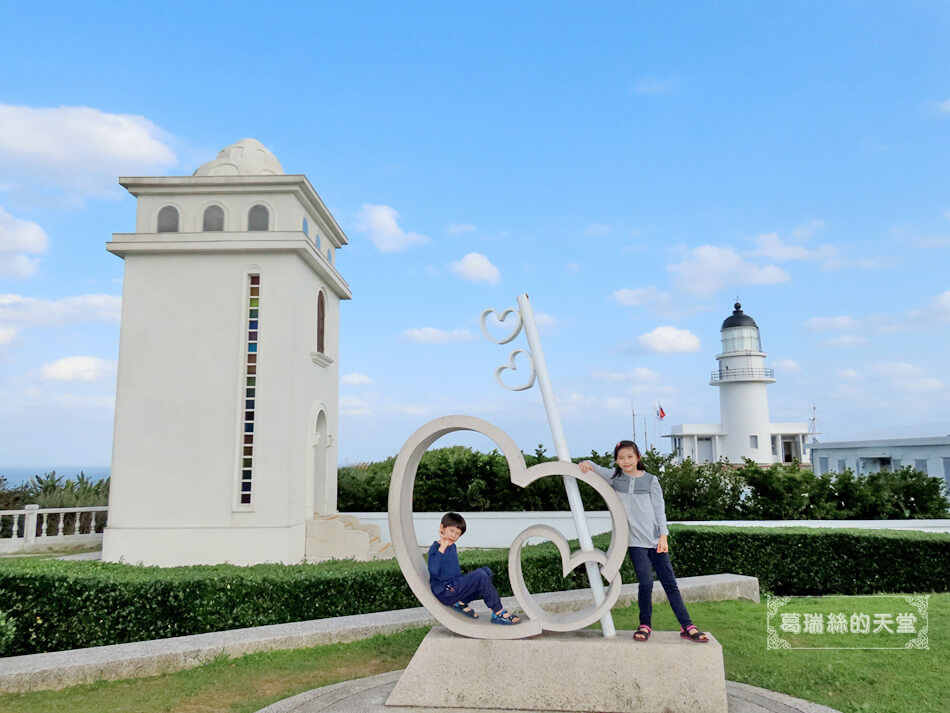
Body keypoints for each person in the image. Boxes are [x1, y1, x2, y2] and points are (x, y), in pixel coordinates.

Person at [579, 440, 708, 643]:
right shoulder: (614, 478)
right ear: (617, 461)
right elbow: (591, 466)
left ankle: (687, 625)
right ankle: (645, 624)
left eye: (629, 457)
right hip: (635, 543)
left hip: (656, 541)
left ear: (638, 457)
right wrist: (586, 464)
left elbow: (659, 509)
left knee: (669, 584)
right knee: (646, 583)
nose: (626, 461)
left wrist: (663, 536)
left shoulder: (651, 480)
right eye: (621, 458)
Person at [427, 512, 521, 625]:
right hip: (444, 591)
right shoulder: (435, 548)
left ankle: (460, 602)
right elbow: (433, 571)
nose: (453, 536)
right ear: (442, 528)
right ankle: (498, 612)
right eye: (451, 531)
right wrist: (442, 547)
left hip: (454, 586)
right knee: (480, 576)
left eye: (457, 534)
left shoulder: (453, 547)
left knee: (486, 572)